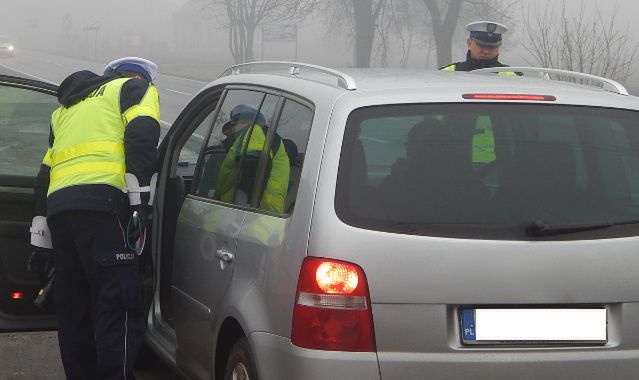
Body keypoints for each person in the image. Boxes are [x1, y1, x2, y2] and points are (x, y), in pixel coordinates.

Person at [29, 56, 161, 379]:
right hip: (106, 208)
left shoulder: (66, 110)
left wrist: (39, 237)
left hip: (62, 214)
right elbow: (142, 138)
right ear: (144, 79)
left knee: (75, 311)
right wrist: (139, 204)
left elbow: (45, 174)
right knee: (116, 305)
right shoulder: (134, 90)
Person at [216, 104, 289, 213]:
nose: (232, 129)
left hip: (256, 214)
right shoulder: (243, 140)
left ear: (248, 122)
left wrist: (234, 215)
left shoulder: (254, 131)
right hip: (260, 213)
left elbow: (251, 173)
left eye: (235, 124)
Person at [440, 21, 517, 74]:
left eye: (492, 46)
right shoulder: (445, 73)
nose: (486, 51)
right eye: (481, 45)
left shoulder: (514, 76)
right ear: (469, 43)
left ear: (499, 47)